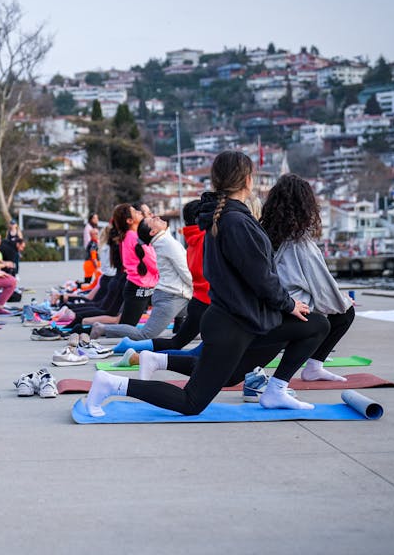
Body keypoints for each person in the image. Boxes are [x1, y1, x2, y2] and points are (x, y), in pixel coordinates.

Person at [85, 150, 330, 417]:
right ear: (248, 180)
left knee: (316, 325)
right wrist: (288, 303)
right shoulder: (235, 221)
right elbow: (260, 277)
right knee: (191, 402)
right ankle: (113, 384)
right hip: (234, 324)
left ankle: (276, 390)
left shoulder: (227, 216)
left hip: (247, 319)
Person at [261, 174, 355, 383]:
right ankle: (309, 368)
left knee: (329, 310)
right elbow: (322, 287)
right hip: (288, 310)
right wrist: (345, 301)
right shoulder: (300, 242)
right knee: (344, 314)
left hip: (267, 306)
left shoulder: (264, 234)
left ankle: (313, 367)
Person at [92, 211, 191, 341]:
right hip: (171, 298)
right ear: (153, 232)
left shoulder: (164, 240)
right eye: (152, 220)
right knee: (145, 335)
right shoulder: (166, 243)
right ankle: (103, 328)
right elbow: (185, 271)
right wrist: (199, 289)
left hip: (175, 295)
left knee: (203, 311)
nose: (157, 217)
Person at [94, 204, 157, 333]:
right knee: (126, 328)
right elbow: (152, 262)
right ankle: (95, 328)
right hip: (138, 287)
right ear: (129, 221)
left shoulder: (131, 235)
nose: (139, 212)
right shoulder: (133, 237)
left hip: (142, 286)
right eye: (135, 211)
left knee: (126, 326)